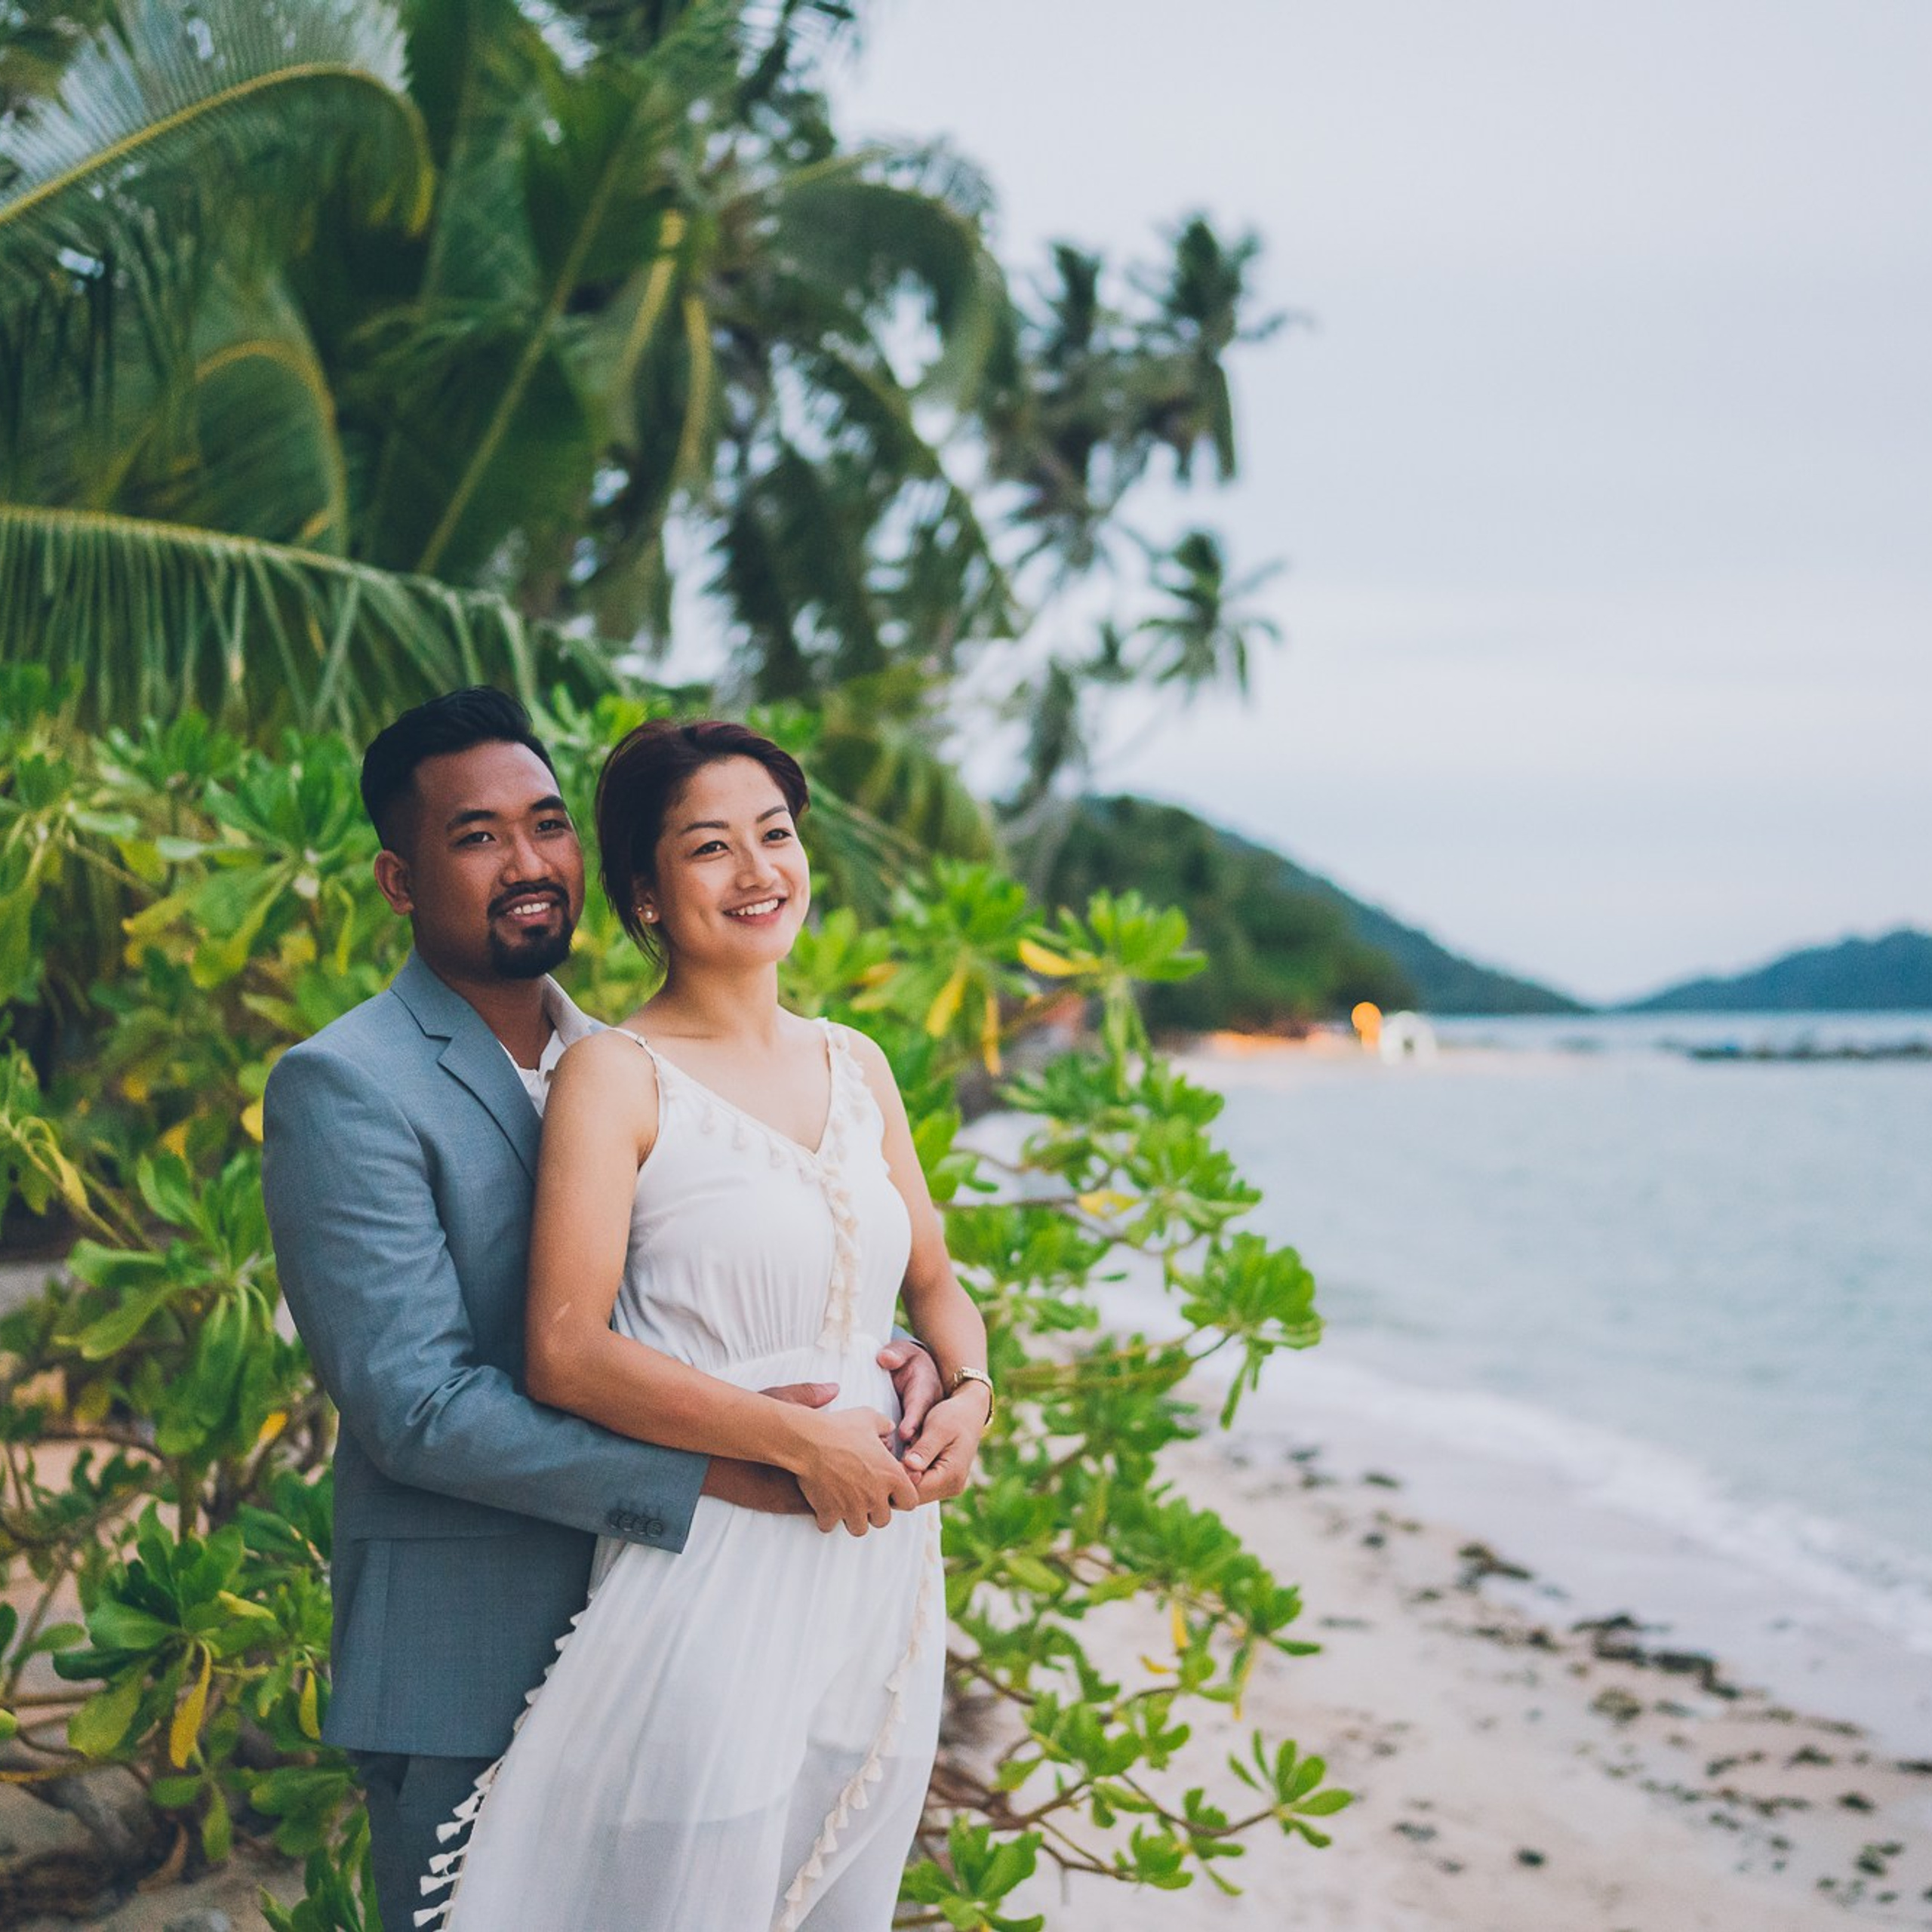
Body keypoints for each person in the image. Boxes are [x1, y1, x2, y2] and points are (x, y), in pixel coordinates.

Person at [260, 690, 946, 1932]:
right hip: (473, 1654)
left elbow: (713, 1285)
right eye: (475, 837)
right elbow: (416, 1408)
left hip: (710, 1642)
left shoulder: (629, 1060)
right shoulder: (346, 1086)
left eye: (547, 823)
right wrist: (740, 1464)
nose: (527, 864)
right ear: (399, 880)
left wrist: (878, 1357)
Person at [423, 717, 992, 1931]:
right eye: (710, 848)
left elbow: (935, 1281)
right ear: (644, 895)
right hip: (720, 1558)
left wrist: (973, 1396)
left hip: (883, 1568)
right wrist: (797, 1442)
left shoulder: (861, 1061)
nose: (757, 872)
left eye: (775, 836)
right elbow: (564, 1351)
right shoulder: (616, 1074)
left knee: (844, 1891)